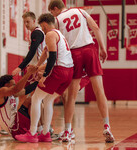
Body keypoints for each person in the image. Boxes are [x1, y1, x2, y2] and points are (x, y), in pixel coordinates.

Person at [48, 0, 114, 143]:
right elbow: (96, 28)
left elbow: (59, 43)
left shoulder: (57, 20)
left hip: (74, 53)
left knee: (71, 95)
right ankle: (107, 126)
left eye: (51, 12)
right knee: (99, 91)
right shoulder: (80, 11)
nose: (52, 14)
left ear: (55, 9)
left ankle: (67, 131)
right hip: (90, 50)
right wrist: (102, 48)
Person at [15, 13, 74, 143]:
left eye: (42, 27)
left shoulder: (50, 34)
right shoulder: (59, 35)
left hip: (60, 71)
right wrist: (37, 66)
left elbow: (52, 58)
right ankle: (46, 133)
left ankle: (32, 133)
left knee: (36, 98)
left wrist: (45, 75)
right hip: (69, 73)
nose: (42, 29)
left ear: (45, 24)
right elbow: (46, 53)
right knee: (48, 100)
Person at [0, 65, 38, 139]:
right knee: (30, 100)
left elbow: (25, 90)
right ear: (6, 85)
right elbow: (16, 89)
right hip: (14, 128)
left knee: (35, 100)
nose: (15, 85)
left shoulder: (10, 93)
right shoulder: (1, 92)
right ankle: (38, 130)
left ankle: (37, 130)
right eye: (13, 84)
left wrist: (39, 81)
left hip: (17, 124)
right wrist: (28, 73)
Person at [12, 11, 46, 79]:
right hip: (38, 66)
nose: (26, 24)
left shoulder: (36, 33)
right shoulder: (36, 32)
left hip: (41, 67)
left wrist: (20, 67)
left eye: (28, 22)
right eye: (24, 22)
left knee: (27, 88)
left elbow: (32, 51)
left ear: (34, 21)